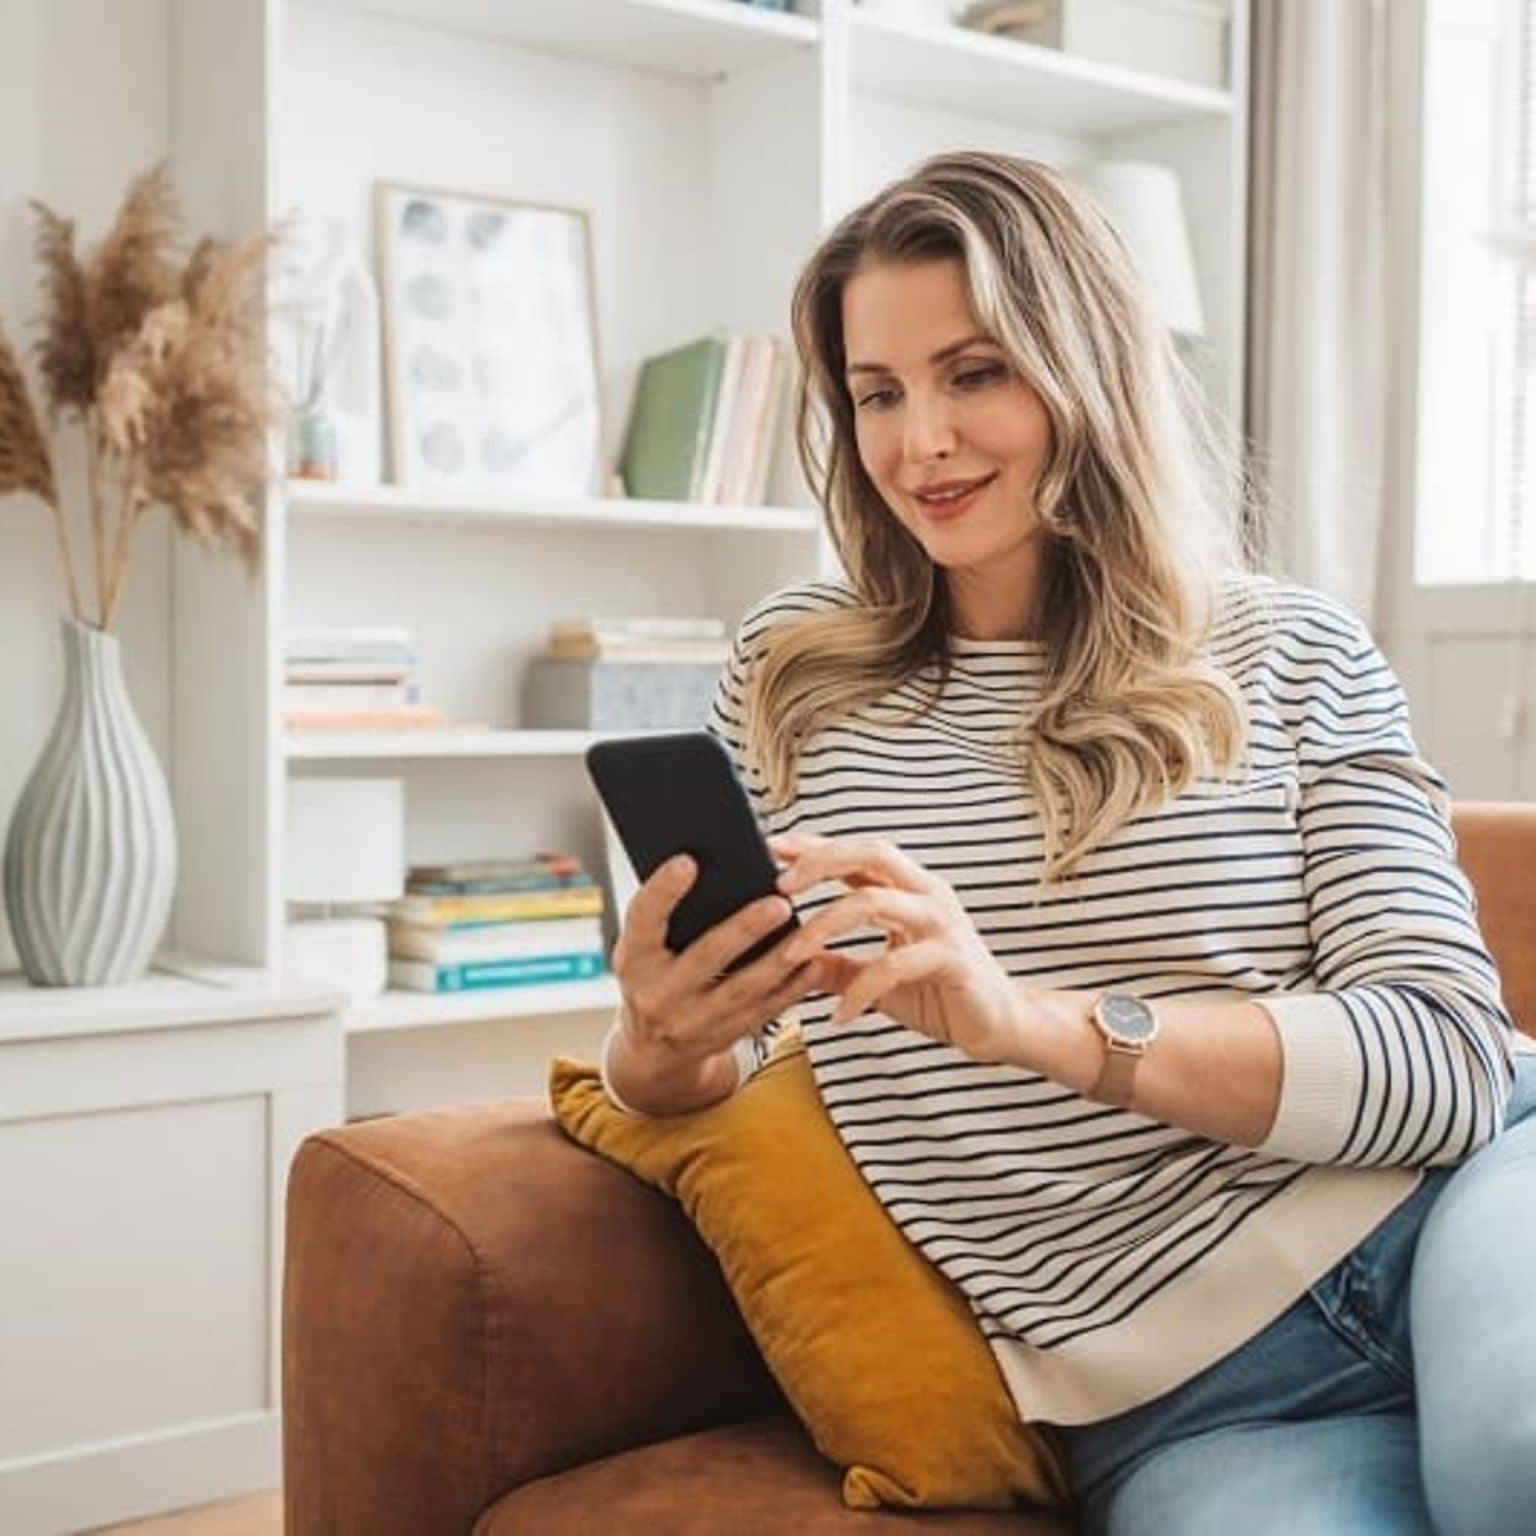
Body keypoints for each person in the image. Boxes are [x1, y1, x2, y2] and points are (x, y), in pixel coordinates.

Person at [600, 151, 1534, 1535]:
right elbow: (751, 1051)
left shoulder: (1292, 650)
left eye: (976, 373)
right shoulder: (791, 678)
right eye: (878, 393)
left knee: (1516, 1460)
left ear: (1085, 364)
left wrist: (1030, 1024)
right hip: (1180, 1402)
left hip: (1462, 1216)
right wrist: (656, 1048)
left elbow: (1451, 1061)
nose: (922, 443)